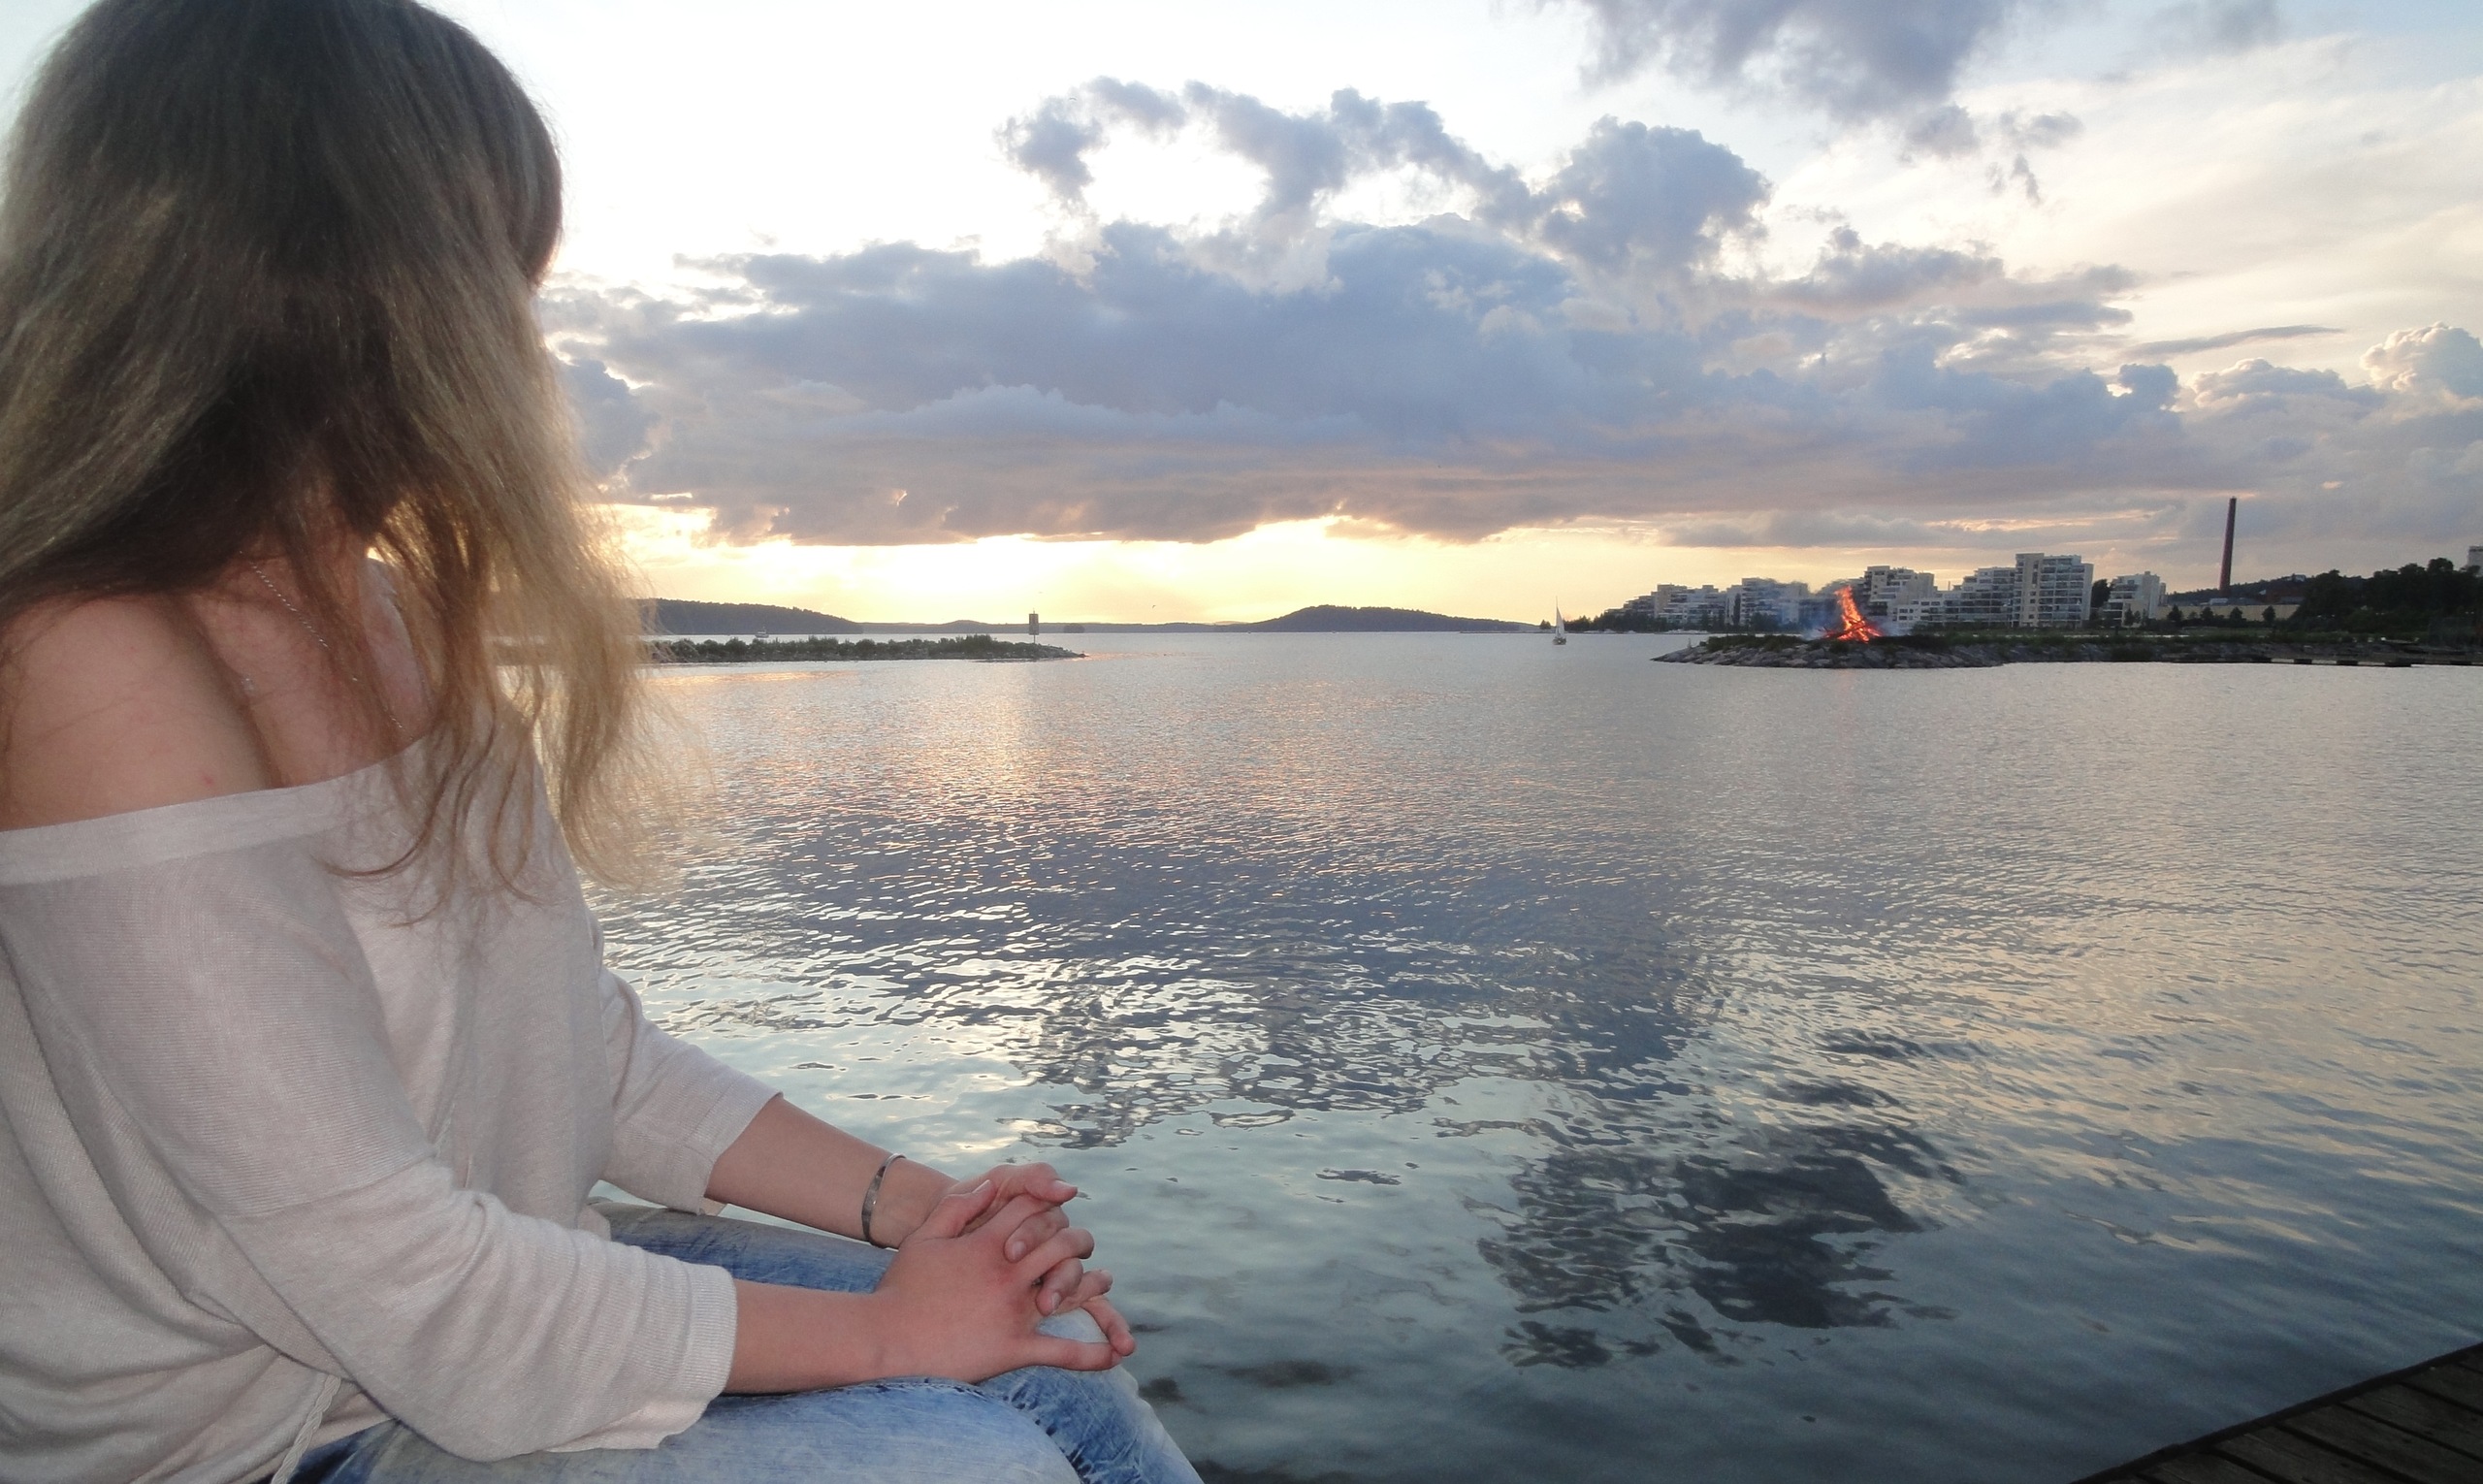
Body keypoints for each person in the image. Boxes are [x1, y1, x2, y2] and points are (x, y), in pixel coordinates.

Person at [0, 2, 1201, 1481]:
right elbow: (404, 1280)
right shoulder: (84, 664)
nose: (524, 344)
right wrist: (902, 1330)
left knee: (1054, 1360)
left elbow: (585, 1053)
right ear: (377, 291)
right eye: (505, 283)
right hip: (265, 1436)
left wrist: (923, 1209)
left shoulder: (390, 615)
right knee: (974, 1460)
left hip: (491, 1295)